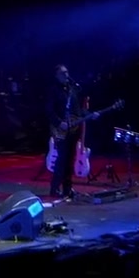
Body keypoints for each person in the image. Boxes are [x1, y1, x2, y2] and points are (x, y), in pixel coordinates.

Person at [47, 64, 99, 200]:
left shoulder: (72, 90)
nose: (66, 75)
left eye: (67, 72)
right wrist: (59, 123)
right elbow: (49, 110)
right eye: (63, 73)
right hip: (61, 130)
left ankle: (67, 188)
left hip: (73, 129)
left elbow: (78, 110)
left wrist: (90, 114)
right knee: (62, 159)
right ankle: (54, 187)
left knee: (70, 159)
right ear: (56, 76)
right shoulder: (53, 91)